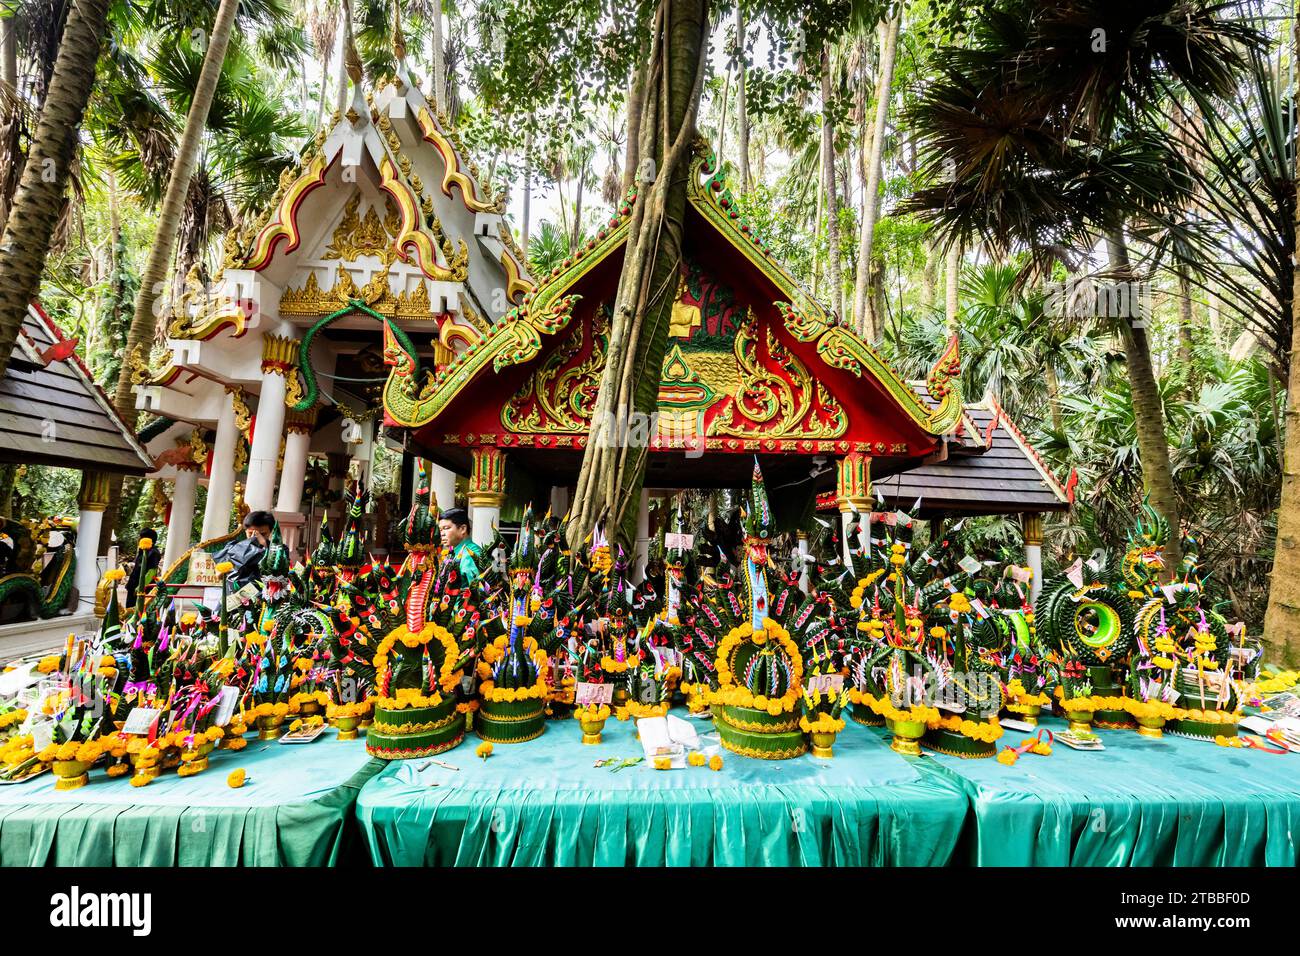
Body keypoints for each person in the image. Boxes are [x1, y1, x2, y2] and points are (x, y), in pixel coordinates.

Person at [212, 511, 277, 589]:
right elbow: (219, 575)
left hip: (265, 596)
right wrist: (244, 549)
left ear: (271, 532)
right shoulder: (233, 547)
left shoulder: (278, 550)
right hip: (235, 595)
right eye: (251, 533)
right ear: (245, 530)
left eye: (262, 534)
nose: (255, 538)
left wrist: (264, 547)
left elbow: (278, 573)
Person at [438, 506, 482, 583]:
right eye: (440, 530)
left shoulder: (470, 555)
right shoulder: (454, 552)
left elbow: (475, 590)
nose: (442, 534)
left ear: (463, 529)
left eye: (446, 528)